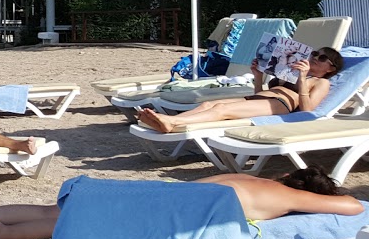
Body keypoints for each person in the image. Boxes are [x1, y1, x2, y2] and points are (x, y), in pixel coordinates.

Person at [0, 167, 362, 239]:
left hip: (146, 191)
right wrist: (319, 197)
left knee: (53, 211)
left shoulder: (251, 177)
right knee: (71, 224)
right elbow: (353, 207)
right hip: (158, 208)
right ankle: (2, 236)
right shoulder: (287, 195)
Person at [136, 48, 344, 133]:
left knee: (221, 111)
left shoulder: (320, 82)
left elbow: (306, 112)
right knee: (209, 105)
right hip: (261, 99)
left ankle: (172, 122)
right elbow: (262, 92)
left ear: (331, 69)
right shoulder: (293, 72)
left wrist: (301, 78)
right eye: (315, 54)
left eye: (323, 58)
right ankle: (167, 122)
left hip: (280, 106)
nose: (316, 58)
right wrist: (258, 76)